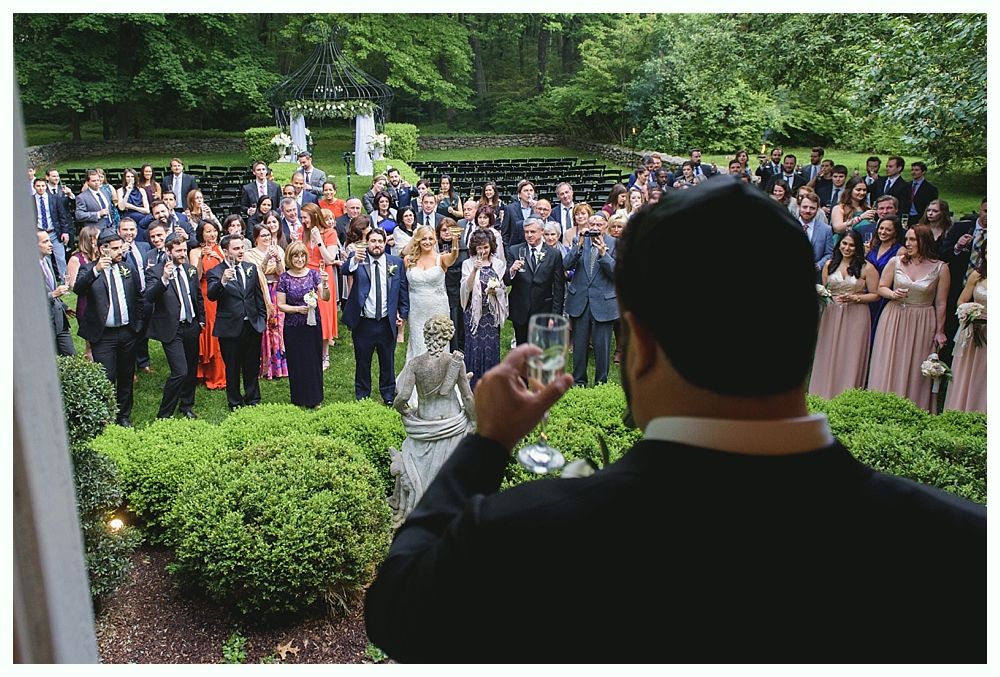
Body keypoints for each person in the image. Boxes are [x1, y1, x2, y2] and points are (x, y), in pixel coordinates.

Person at [364, 178, 986, 664]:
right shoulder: (966, 553)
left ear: (641, 343)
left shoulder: (531, 537)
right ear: (808, 328)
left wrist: (487, 443)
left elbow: (396, 607)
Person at [390, 315, 476, 527]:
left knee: (411, 458)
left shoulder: (415, 364)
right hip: (452, 423)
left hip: (424, 424)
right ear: (447, 337)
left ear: (426, 335)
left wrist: (404, 411)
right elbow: (467, 397)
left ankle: (414, 506)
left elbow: (402, 397)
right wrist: (474, 421)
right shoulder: (454, 362)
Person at [867, 225, 950, 411]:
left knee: (914, 365)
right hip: (894, 316)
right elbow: (881, 287)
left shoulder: (941, 268)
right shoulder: (896, 262)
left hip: (922, 320)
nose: (908, 243)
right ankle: (881, 404)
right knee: (889, 360)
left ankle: (913, 407)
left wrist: (939, 331)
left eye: (913, 240)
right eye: (907, 239)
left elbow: (941, 303)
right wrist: (893, 294)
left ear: (924, 241)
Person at [73, 227, 144, 427]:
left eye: (121, 247)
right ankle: (106, 415)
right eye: (115, 249)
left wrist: (137, 325)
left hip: (127, 332)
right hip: (103, 335)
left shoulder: (127, 268)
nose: (120, 252)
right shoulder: (89, 270)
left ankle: (123, 415)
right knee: (107, 376)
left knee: (126, 375)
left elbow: (139, 297)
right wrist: (97, 270)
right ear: (103, 250)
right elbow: (78, 289)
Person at [808, 230, 880, 399]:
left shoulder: (866, 268)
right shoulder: (829, 265)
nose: (847, 248)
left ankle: (846, 395)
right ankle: (822, 393)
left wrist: (856, 298)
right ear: (839, 244)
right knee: (827, 351)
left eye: (852, 245)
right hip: (831, 314)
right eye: (844, 243)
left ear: (858, 247)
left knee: (850, 355)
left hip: (856, 314)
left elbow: (876, 294)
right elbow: (826, 290)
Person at [343, 228, 410, 404]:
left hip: (387, 322)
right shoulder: (358, 260)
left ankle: (388, 395)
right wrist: (354, 260)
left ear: (385, 242)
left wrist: (402, 314)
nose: (377, 245)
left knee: (387, 360)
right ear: (368, 243)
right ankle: (362, 395)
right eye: (373, 241)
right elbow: (344, 270)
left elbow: (403, 290)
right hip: (364, 321)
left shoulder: (395, 262)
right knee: (362, 361)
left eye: (380, 241)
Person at [145, 232, 204, 420]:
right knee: (180, 371)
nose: (183, 254)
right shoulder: (155, 271)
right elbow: (149, 297)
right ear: (168, 251)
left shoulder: (190, 270)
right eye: (178, 251)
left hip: (192, 325)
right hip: (172, 328)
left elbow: (198, 297)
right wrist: (164, 279)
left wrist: (200, 320)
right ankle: (164, 414)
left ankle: (186, 406)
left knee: (191, 370)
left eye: (184, 250)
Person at [206, 234, 268, 410]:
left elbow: (258, 296)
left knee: (251, 364)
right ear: (225, 252)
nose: (241, 251)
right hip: (230, 328)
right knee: (232, 367)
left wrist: (261, 320)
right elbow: (211, 295)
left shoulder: (250, 268)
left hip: (252, 325)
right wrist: (223, 281)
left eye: (242, 247)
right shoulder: (216, 272)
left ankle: (253, 398)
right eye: (236, 248)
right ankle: (234, 401)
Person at [564, 211, 618, 386]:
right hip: (580, 301)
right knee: (579, 345)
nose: (595, 228)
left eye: (599, 225)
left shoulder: (615, 243)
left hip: (603, 302)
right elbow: (565, 265)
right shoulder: (579, 241)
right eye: (592, 224)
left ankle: (601, 382)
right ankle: (579, 380)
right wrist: (578, 246)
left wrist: (604, 255)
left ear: (606, 227)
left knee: (602, 346)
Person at [276, 241, 329, 408]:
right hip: (293, 325)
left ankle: (315, 398)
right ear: (290, 258)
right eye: (295, 256)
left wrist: (326, 284)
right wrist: (297, 309)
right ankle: (298, 398)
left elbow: (325, 297)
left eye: (302, 255)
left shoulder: (313, 275)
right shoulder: (284, 278)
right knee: (296, 360)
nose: (299, 259)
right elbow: (280, 304)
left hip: (312, 324)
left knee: (313, 359)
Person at [402, 223, 460, 365]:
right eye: (423, 239)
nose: (427, 242)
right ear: (418, 241)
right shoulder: (409, 260)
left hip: (438, 308)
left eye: (430, 239)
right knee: (418, 342)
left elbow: (453, 256)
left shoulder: (441, 259)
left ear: (435, 240)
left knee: (438, 343)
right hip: (417, 309)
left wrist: (455, 242)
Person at [504, 217, 565, 347]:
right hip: (520, 309)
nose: (529, 235)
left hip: (544, 309)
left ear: (542, 231)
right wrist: (512, 270)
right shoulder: (514, 250)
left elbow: (559, 287)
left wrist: (555, 316)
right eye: (526, 232)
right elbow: (506, 281)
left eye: (533, 231)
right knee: (522, 348)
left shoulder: (554, 254)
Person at [460, 229, 507, 389]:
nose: (483, 251)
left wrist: (496, 291)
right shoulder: (468, 263)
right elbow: (466, 288)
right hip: (474, 314)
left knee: (491, 347)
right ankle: (472, 387)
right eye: (479, 248)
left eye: (486, 247)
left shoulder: (498, 264)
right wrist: (474, 270)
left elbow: (502, 288)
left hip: (490, 315)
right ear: (474, 248)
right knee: (474, 348)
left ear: (491, 246)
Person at [943, 244, 986, 413]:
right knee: (970, 372)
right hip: (975, 328)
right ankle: (963, 408)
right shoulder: (977, 276)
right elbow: (962, 300)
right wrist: (968, 311)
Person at [243, 223, 287, 380]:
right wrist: (267, 258)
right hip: (261, 292)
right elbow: (256, 273)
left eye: (268, 235)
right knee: (265, 327)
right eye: (263, 235)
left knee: (278, 326)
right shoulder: (249, 254)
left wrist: (278, 259)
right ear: (256, 238)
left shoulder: (279, 250)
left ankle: (280, 366)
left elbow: (282, 273)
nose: (267, 238)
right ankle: (266, 366)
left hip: (277, 291)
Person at [301, 203, 340, 368]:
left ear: (314, 216)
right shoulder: (302, 232)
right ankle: (309, 350)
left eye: (305, 217)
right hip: (306, 274)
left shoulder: (330, 233)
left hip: (323, 275)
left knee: (323, 313)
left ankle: (325, 354)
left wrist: (318, 241)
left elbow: (330, 258)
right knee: (306, 311)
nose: (303, 220)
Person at [190, 221, 227, 390]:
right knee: (207, 330)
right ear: (201, 234)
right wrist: (200, 259)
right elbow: (195, 278)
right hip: (205, 294)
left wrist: (218, 257)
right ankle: (201, 371)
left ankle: (219, 374)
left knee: (219, 331)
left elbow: (228, 269)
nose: (212, 235)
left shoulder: (221, 250)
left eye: (214, 231)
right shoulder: (195, 252)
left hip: (221, 292)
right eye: (208, 232)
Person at [66, 225, 101, 361]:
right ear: (91, 240)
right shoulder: (76, 259)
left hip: (102, 300)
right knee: (91, 342)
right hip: (86, 303)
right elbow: (74, 285)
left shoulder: (101, 257)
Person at [864, 216, 903, 340]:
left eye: (888, 230)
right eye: (881, 228)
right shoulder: (873, 247)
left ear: (895, 232)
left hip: (884, 297)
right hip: (869, 293)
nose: (883, 232)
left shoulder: (900, 251)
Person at [38, 229, 74, 356]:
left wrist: (63, 306)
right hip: (44, 323)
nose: (51, 244)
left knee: (71, 357)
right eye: (45, 241)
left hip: (60, 319)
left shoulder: (47, 260)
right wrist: (53, 294)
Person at [32, 176, 71, 281]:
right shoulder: (30, 200)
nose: (41, 188)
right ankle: (50, 281)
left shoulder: (54, 199)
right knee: (45, 260)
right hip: (39, 234)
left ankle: (65, 281)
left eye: (43, 186)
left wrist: (65, 232)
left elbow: (62, 216)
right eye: (38, 186)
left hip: (54, 232)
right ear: (34, 187)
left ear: (46, 186)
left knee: (61, 258)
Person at [830, 177, 877, 244]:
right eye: (858, 190)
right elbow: (837, 228)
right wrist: (860, 218)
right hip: (845, 243)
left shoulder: (867, 208)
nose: (862, 192)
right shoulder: (839, 208)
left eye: (864, 190)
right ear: (850, 190)